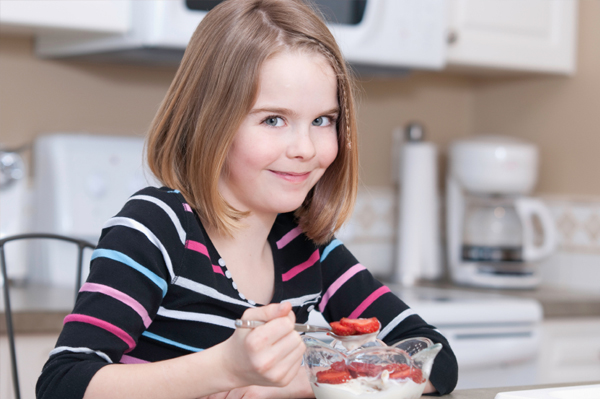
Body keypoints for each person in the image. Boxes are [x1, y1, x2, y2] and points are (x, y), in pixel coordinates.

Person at [37, 0, 458, 398]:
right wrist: (225, 366)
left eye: (322, 121)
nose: (305, 148)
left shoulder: (308, 248)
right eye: (273, 120)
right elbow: (62, 383)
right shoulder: (157, 228)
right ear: (211, 121)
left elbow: (435, 358)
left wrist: (303, 381)